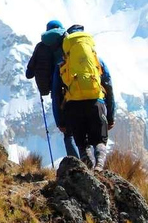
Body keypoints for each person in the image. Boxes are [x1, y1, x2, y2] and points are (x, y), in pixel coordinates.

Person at [52, 25, 115, 170]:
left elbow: (56, 95)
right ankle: (99, 166)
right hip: (96, 103)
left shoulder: (62, 64)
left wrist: (60, 121)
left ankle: (88, 169)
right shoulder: (97, 61)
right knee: (100, 140)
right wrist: (110, 116)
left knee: (82, 143)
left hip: (73, 106)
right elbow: (109, 87)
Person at [28, 20, 79, 158]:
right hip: (75, 87)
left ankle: (76, 164)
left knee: (68, 132)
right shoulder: (69, 42)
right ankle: (89, 163)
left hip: (57, 91)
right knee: (81, 128)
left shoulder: (41, 46)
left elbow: (29, 73)